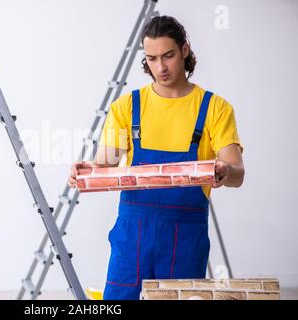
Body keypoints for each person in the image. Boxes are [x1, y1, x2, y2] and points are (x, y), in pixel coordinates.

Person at [68, 15, 245, 300]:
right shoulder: (126, 106)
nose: (160, 67)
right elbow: (106, 162)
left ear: (184, 50)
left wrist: (226, 170)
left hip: (186, 237)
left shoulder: (214, 108)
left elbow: (237, 173)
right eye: (151, 59)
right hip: (131, 236)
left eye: (168, 56)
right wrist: (88, 169)